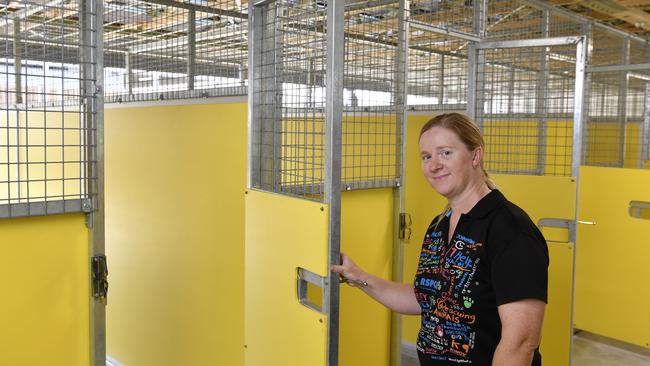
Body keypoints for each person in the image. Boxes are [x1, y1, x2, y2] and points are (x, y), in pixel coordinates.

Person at [332, 113, 549, 366]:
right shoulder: (439, 225)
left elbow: (521, 344)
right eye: (426, 157)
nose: (434, 165)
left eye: (445, 153)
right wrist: (357, 276)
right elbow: (427, 297)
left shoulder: (510, 230)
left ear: (475, 156)